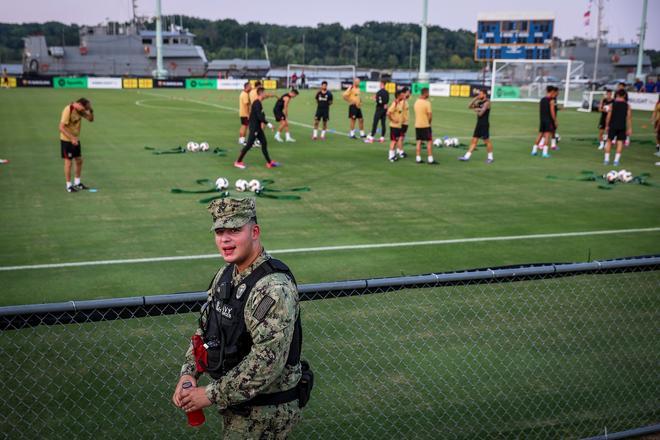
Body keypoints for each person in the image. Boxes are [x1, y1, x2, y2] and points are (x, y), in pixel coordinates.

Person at [173, 197, 310, 440]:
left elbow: (266, 363)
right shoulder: (226, 275)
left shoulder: (272, 289)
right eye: (220, 231)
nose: (225, 239)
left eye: (235, 230)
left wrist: (210, 394)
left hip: (266, 412)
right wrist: (188, 373)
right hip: (238, 404)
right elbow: (206, 331)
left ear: (254, 231)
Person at [234, 87, 278, 169]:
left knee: (264, 143)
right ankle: (238, 161)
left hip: (257, 128)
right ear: (261, 93)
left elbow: (259, 116)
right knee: (248, 145)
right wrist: (269, 124)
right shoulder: (257, 103)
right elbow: (259, 117)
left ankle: (269, 162)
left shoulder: (258, 103)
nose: (265, 94)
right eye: (264, 93)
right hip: (254, 128)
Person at [59, 98, 94, 192]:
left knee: (79, 160)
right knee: (68, 162)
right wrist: (71, 138)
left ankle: (77, 183)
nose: (83, 110)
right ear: (79, 104)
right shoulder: (68, 109)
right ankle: (68, 185)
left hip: (75, 139)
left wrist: (90, 110)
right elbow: (61, 127)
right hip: (67, 140)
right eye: (83, 108)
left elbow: (90, 119)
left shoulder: (80, 110)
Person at [460, 88, 494, 164]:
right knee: (474, 141)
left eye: (480, 94)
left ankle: (490, 158)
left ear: (484, 94)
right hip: (478, 124)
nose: (479, 95)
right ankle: (466, 156)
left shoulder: (487, 102)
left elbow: (481, 113)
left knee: (486, 141)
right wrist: (475, 98)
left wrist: (477, 110)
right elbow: (469, 106)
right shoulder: (479, 102)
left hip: (484, 125)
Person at [604, 88, 632, 166]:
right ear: (624, 95)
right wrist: (629, 128)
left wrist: (606, 125)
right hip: (622, 126)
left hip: (612, 125)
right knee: (620, 143)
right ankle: (616, 161)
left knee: (609, 141)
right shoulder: (627, 106)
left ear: (617, 95)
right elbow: (629, 118)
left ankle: (606, 160)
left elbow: (608, 117)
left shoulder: (612, 105)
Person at [531, 86, 557, 158]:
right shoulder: (551, 101)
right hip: (548, 120)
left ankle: (534, 150)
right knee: (547, 136)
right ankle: (544, 153)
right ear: (551, 91)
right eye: (554, 92)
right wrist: (554, 121)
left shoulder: (542, 99)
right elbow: (552, 112)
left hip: (542, 120)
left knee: (540, 135)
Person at [413, 87, 436, 164]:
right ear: (425, 93)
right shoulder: (427, 103)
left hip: (417, 124)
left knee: (419, 141)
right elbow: (430, 115)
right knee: (429, 141)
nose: (429, 94)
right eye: (428, 93)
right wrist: (429, 122)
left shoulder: (416, 102)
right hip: (425, 125)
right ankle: (430, 159)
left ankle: (418, 158)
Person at [386, 90, 404, 162]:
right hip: (394, 126)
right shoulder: (395, 103)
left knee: (395, 141)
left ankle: (393, 155)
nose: (403, 96)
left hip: (398, 126)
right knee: (393, 141)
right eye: (402, 95)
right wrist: (393, 120)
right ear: (398, 96)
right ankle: (390, 156)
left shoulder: (399, 103)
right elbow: (388, 113)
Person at [238, 82, 252, 146]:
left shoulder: (243, 93)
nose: (251, 87)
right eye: (250, 86)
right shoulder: (245, 94)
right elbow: (246, 105)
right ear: (247, 87)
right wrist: (248, 114)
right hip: (245, 113)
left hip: (242, 113)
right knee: (245, 126)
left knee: (243, 126)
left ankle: (241, 140)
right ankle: (242, 140)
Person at [399, 87, 411, 157]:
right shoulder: (402, 101)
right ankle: (401, 152)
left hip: (405, 122)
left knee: (402, 137)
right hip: (402, 122)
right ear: (405, 92)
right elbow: (399, 110)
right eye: (408, 92)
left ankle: (399, 150)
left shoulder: (405, 100)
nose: (409, 93)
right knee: (401, 137)